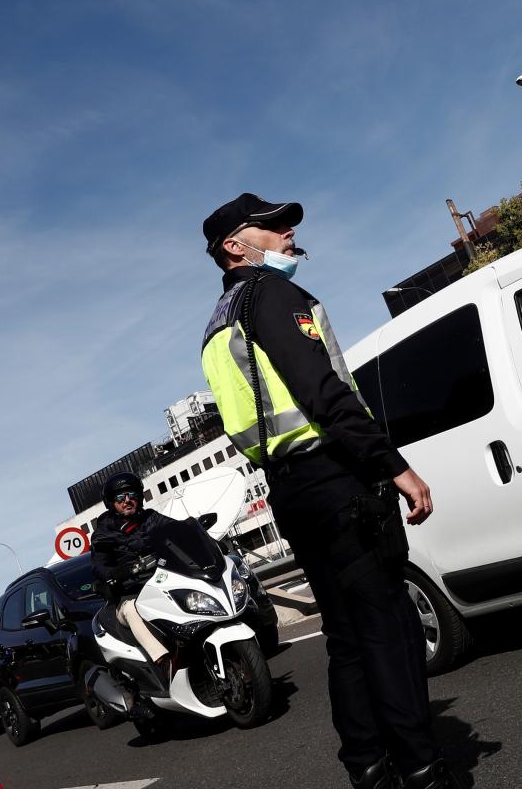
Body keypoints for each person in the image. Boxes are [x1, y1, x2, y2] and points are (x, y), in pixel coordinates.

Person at [199, 193, 463, 789]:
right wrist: (393, 464)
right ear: (236, 247)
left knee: (346, 637)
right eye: (270, 226)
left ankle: (368, 769)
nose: (287, 231)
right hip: (337, 477)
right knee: (388, 628)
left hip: (292, 490)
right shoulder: (273, 296)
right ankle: (424, 770)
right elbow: (321, 389)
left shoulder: (218, 323)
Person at [89, 471, 174, 678]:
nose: (127, 501)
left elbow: (176, 529)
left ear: (140, 497)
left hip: (161, 584)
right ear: (111, 503)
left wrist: (198, 532)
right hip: (129, 594)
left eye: (132, 495)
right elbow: (99, 564)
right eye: (120, 497)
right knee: (131, 610)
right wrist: (114, 574)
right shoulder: (103, 533)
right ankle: (164, 663)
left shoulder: (151, 518)